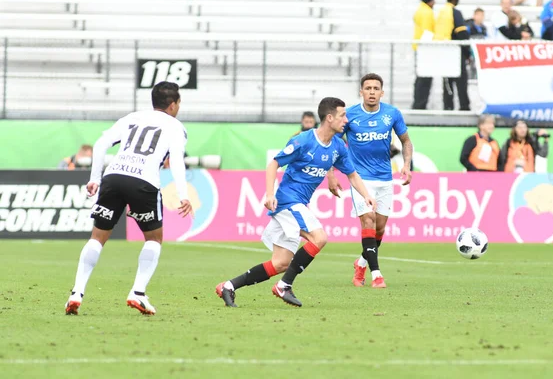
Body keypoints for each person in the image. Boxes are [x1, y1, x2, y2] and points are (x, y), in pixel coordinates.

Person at [215, 97, 376, 308]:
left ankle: (228, 286)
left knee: (281, 263)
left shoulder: (338, 146)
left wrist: (366, 195)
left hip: (298, 204)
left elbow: (352, 175)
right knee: (319, 237)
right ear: (329, 118)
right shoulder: (303, 141)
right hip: (288, 201)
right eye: (342, 115)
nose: (346, 120)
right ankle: (285, 286)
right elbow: (274, 164)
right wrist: (270, 194)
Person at [64, 81, 193, 316]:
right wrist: (183, 195)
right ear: (173, 104)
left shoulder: (131, 117)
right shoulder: (176, 127)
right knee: (154, 238)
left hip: (113, 176)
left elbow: (101, 144)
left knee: (97, 237)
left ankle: (76, 293)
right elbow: (175, 161)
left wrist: (95, 178)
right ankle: (138, 293)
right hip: (144, 182)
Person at [327, 73, 413, 288]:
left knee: (380, 229)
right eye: (368, 88)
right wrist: (331, 174)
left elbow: (406, 141)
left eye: (376, 88)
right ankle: (376, 275)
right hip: (360, 179)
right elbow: (331, 142)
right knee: (368, 220)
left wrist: (407, 165)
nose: (372, 92)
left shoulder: (392, 114)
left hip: (385, 178)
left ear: (382, 92)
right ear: (361, 92)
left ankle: (361, 263)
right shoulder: (350, 115)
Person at [434, 0, 470, 111]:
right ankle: (464, 107)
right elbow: (462, 34)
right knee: (461, 81)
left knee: (447, 82)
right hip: (455, 51)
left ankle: (448, 107)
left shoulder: (441, 12)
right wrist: (467, 52)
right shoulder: (455, 12)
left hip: (443, 51)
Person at [411, 0, 435, 110]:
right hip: (425, 49)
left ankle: (418, 103)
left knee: (420, 78)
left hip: (419, 47)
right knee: (424, 79)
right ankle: (420, 105)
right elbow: (427, 32)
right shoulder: (427, 12)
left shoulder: (420, 10)